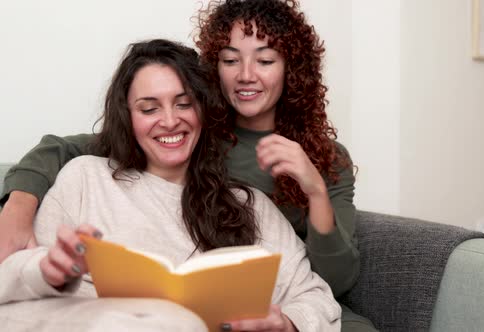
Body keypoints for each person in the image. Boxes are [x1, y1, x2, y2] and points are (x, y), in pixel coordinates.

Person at [0, 0, 375, 330]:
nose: (246, 74)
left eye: (182, 104)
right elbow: (61, 152)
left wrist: (315, 191)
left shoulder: (253, 202)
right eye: (230, 60)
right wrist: (17, 206)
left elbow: (325, 289)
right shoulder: (87, 176)